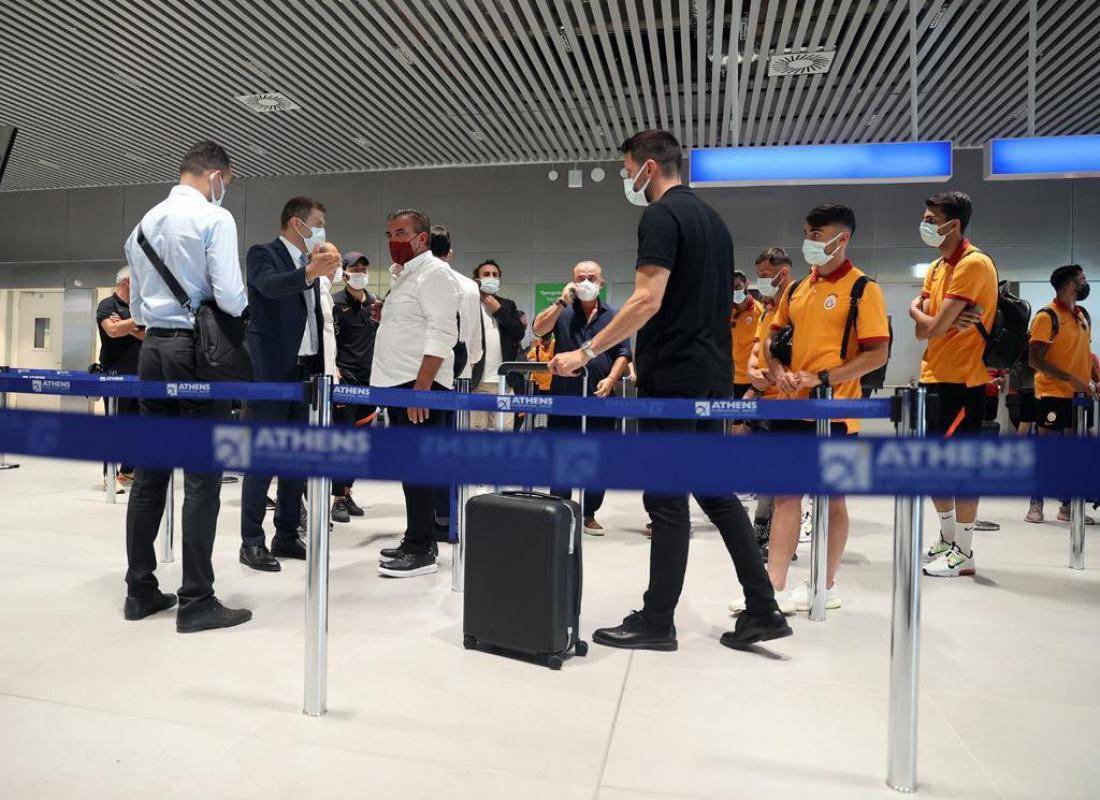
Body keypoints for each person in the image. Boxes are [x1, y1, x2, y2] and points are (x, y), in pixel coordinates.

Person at [549, 129, 788, 652]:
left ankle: (658, 621)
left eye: (626, 171)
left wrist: (585, 352)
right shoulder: (714, 223)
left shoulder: (660, 216)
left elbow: (646, 300)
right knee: (715, 491)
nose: (626, 180)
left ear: (649, 168)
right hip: (710, 374)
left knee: (666, 498)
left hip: (675, 377)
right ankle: (763, 607)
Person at [122, 140, 251, 632]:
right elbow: (231, 297)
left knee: (150, 475)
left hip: (152, 351)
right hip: (196, 353)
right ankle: (196, 600)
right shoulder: (215, 219)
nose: (225, 190)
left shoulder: (142, 226)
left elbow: (136, 309)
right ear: (215, 176)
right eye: (227, 182)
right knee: (202, 478)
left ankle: (140, 591)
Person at [756, 204, 890, 613]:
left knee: (832, 499)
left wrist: (823, 377)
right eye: (806, 233)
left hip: (836, 414)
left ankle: (825, 584)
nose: (809, 241)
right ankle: (772, 588)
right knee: (786, 496)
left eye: (816, 234)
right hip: (789, 409)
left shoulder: (862, 289)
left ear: (841, 238)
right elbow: (772, 338)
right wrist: (778, 371)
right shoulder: (797, 289)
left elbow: (877, 354)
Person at [239, 196, 340, 572]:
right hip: (272, 372)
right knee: (263, 458)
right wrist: (310, 272)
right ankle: (252, 540)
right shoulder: (262, 254)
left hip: (307, 372)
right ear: (298, 223)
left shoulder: (309, 264)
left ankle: (285, 533)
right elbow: (269, 286)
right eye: (318, 223)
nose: (322, 230)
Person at [909, 190, 998, 578]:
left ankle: (964, 551)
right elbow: (923, 331)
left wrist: (922, 314)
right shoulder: (936, 267)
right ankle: (948, 540)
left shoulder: (973, 264)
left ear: (954, 224)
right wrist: (925, 317)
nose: (924, 225)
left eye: (931, 220)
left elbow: (934, 326)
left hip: (962, 382)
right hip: (933, 377)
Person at [373, 208, 459, 578]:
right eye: (390, 234)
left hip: (418, 384)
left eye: (400, 233)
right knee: (410, 468)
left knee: (419, 468)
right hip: (400, 384)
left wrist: (422, 387)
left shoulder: (434, 272)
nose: (393, 240)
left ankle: (422, 549)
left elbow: (443, 331)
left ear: (422, 238)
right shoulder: (405, 274)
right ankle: (415, 538)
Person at [532, 260, 632, 534]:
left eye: (591, 278)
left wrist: (611, 379)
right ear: (572, 281)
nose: (586, 282)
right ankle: (561, 511)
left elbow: (623, 353)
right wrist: (560, 302)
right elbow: (538, 329)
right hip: (565, 397)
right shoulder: (562, 310)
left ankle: (589, 514)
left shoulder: (614, 315)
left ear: (601, 282)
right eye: (580, 278)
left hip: (601, 399)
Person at [1026, 264, 1096, 524]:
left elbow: (1084, 354)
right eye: (1083, 279)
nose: (1086, 283)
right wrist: (1070, 379)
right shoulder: (1047, 316)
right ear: (1070, 285)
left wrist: (1095, 379)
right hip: (1052, 394)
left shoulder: (1082, 315)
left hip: (1080, 397)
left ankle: (1068, 506)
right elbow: (1034, 360)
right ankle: (1035, 503)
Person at [745, 248, 794, 560]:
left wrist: (776, 375)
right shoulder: (766, 310)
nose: (760, 281)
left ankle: (779, 537)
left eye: (764, 275)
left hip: (790, 403)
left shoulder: (797, 305)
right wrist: (753, 375)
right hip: (766, 403)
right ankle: (761, 531)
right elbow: (755, 352)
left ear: (782, 272)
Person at [330, 251, 379, 523]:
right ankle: (337, 497)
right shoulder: (335, 303)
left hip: (370, 380)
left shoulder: (375, 304)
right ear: (345, 272)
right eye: (355, 268)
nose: (360, 272)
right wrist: (333, 369)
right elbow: (328, 340)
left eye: (363, 268)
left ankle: (347, 492)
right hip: (344, 379)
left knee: (360, 443)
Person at [97, 265, 144, 484]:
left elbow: (148, 335)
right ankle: (109, 476)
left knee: (137, 426)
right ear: (127, 282)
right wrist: (136, 323)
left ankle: (128, 470)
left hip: (141, 375)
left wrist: (126, 326)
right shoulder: (107, 305)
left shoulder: (139, 306)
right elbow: (113, 330)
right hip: (115, 375)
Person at [470, 259, 527, 430]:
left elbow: (519, 333)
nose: (491, 277)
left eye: (495, 275)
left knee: (504, 433)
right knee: (475, 434)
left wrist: (499, 310)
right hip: (477, 382)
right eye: (486, 274)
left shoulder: (508, 305)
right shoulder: (469, 303)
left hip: (505, 383)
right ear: (476, 279)